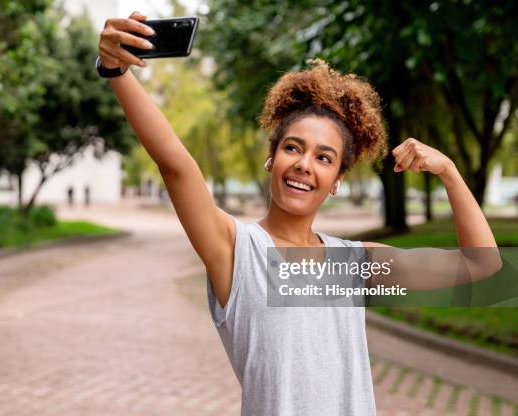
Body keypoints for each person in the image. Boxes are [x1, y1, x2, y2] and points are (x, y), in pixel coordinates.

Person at [98, 11, 501, 415]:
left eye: (324, 157)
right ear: (271, 159)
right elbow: (177, 167)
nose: (305, 164)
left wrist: (449, 172)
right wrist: (116, 71)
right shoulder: (238, 252)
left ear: (338, 179)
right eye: (292, 147)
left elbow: (480, 266)